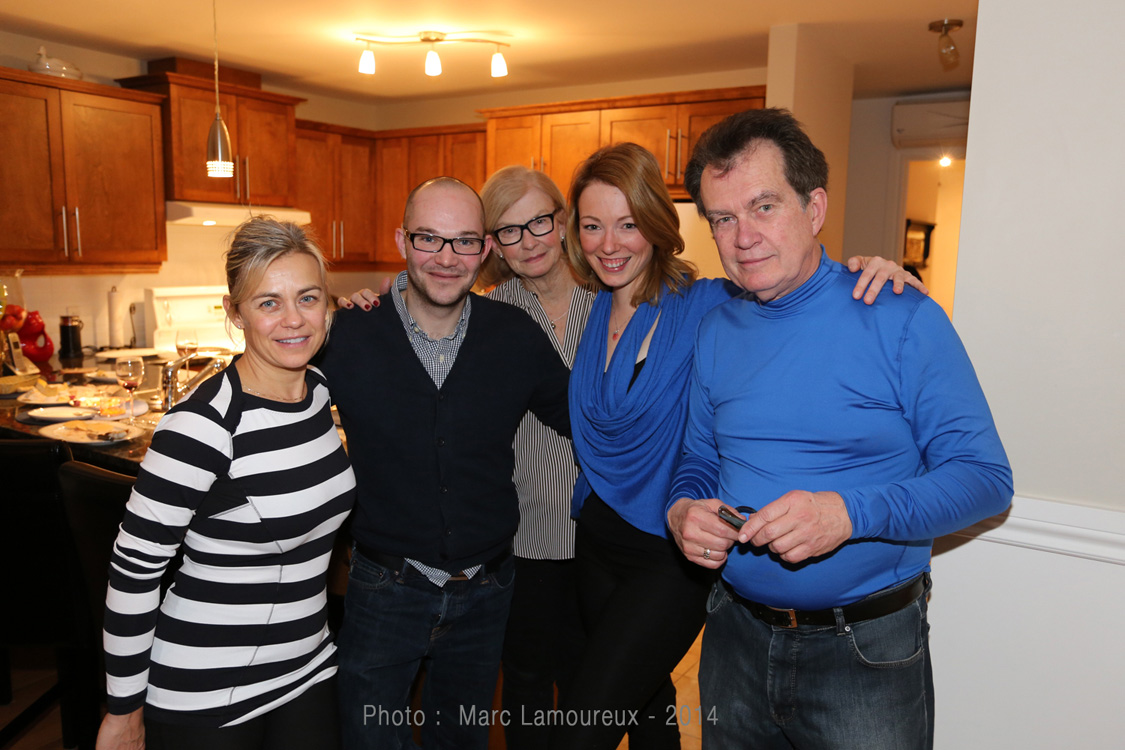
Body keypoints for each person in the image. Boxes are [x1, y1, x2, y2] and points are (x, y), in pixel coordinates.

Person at [556, 142, 924, 750]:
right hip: (596, 539)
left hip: (672, 552)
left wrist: (884, 274)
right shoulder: (583, 306)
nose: (609, 243)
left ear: (656, 223)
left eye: (627, 224)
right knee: (650, 712)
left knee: (581, 726)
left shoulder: (709, 302)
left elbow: (792, 287)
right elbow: (499, 276)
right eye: (592, 225)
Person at [666, 108, 1013, 749]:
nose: (742, 236)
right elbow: (695, 458)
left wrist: (847, 514)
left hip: (866, 652)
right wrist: (684, 509)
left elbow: (986, 480)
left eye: (764, 206)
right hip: (734, 638)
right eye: (722, 217)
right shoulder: (715, 328)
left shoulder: (898, 313)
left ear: (815, 207)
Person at [319, 176, 571, 750]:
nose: (446, 258)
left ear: (485, 249)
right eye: (429, 239)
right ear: (401, 240)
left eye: (463, 241)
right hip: (385, 587)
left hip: (485, 594)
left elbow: (589, 421)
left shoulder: (514, 335)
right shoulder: (348, 333)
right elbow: (276, 395)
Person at [97, 217, 355, 750]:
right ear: (234, 312)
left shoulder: (320, 393)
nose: (293, 320)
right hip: (206, 692)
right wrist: (123, 712)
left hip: (309, 666)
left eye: (308, 297)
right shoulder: (202, 427)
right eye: (268, 302)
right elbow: (133, 575)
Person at [479, 167, 592, 750]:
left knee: (589, 681)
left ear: (563, 218)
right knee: (523, 680)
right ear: (492, 242)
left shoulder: (612, 297)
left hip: (602, 530)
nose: (529, 242)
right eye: (509, 230)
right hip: (520, 534)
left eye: (539, 222)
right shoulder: (484, 315)